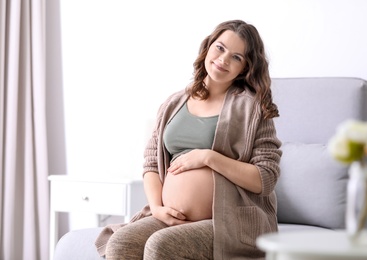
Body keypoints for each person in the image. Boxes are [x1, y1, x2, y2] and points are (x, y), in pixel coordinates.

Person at [95, 19, 282, 259]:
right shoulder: (173, 103)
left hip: (228, 221)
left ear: (245, 68)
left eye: (237, 57)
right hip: (168, 216)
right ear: (208, 47)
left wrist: (208, 157)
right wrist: (157, 208)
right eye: (220, 48)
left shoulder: (253, 109)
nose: (224, 59)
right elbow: (152, 163)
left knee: (161, 245)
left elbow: (266, 178)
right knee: (122, 242)